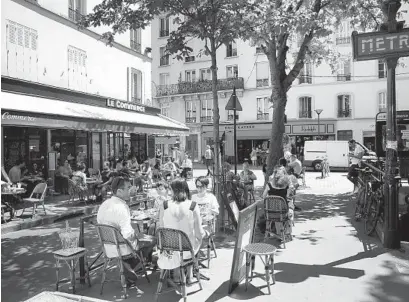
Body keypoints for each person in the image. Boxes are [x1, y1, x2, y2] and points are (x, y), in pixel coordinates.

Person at [97, 176, 154, 286]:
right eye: (128, 188)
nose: (131, 190)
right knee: (152, 240)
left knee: (140, 238)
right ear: (119, 191)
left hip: (107, 246)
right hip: (121, 248)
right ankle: (129, 267)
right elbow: (127, 234)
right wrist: (138, 239)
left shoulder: (104, 204)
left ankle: (128, 266)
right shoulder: (122, 207)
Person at [157, 179, 205, 283]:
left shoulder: (164, 205)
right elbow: (199, 232)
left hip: (170, 251)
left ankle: (177, 275)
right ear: (186, 190)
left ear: (172, 191)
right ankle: (190, 275)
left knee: (175, 244)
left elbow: (161, 228)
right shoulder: (193, 205)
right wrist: (203, 235)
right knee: (196, 239)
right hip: (187, 251)